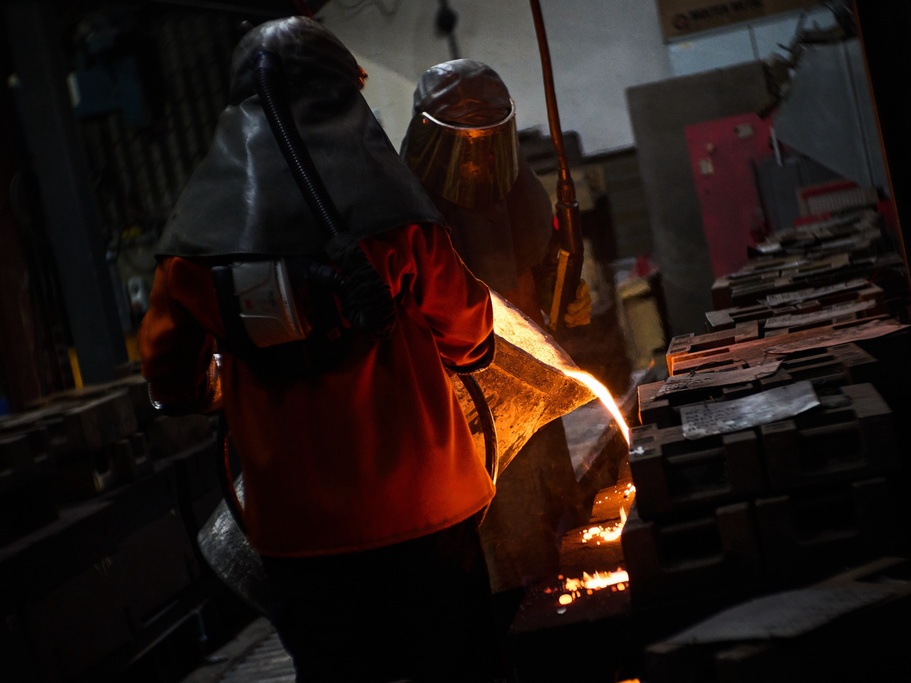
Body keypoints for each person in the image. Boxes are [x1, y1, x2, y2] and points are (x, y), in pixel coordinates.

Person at [138, 17, 506, 683]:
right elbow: (470, 330)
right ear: (344, 93)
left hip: (298, 531)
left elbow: (169, 375)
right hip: (426, 509)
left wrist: (224, 381)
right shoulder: (397, 212)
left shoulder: (195, 243)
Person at [401, 59, 593, 596]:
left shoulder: (514, 182)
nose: (477, 161)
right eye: (466, 137)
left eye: (489, 137)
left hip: (530, 376)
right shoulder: (407, 204)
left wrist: (568, 283)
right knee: (500, 529)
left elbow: (543, 259)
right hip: (459, 396)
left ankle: (563, 589)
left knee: (555, 506)